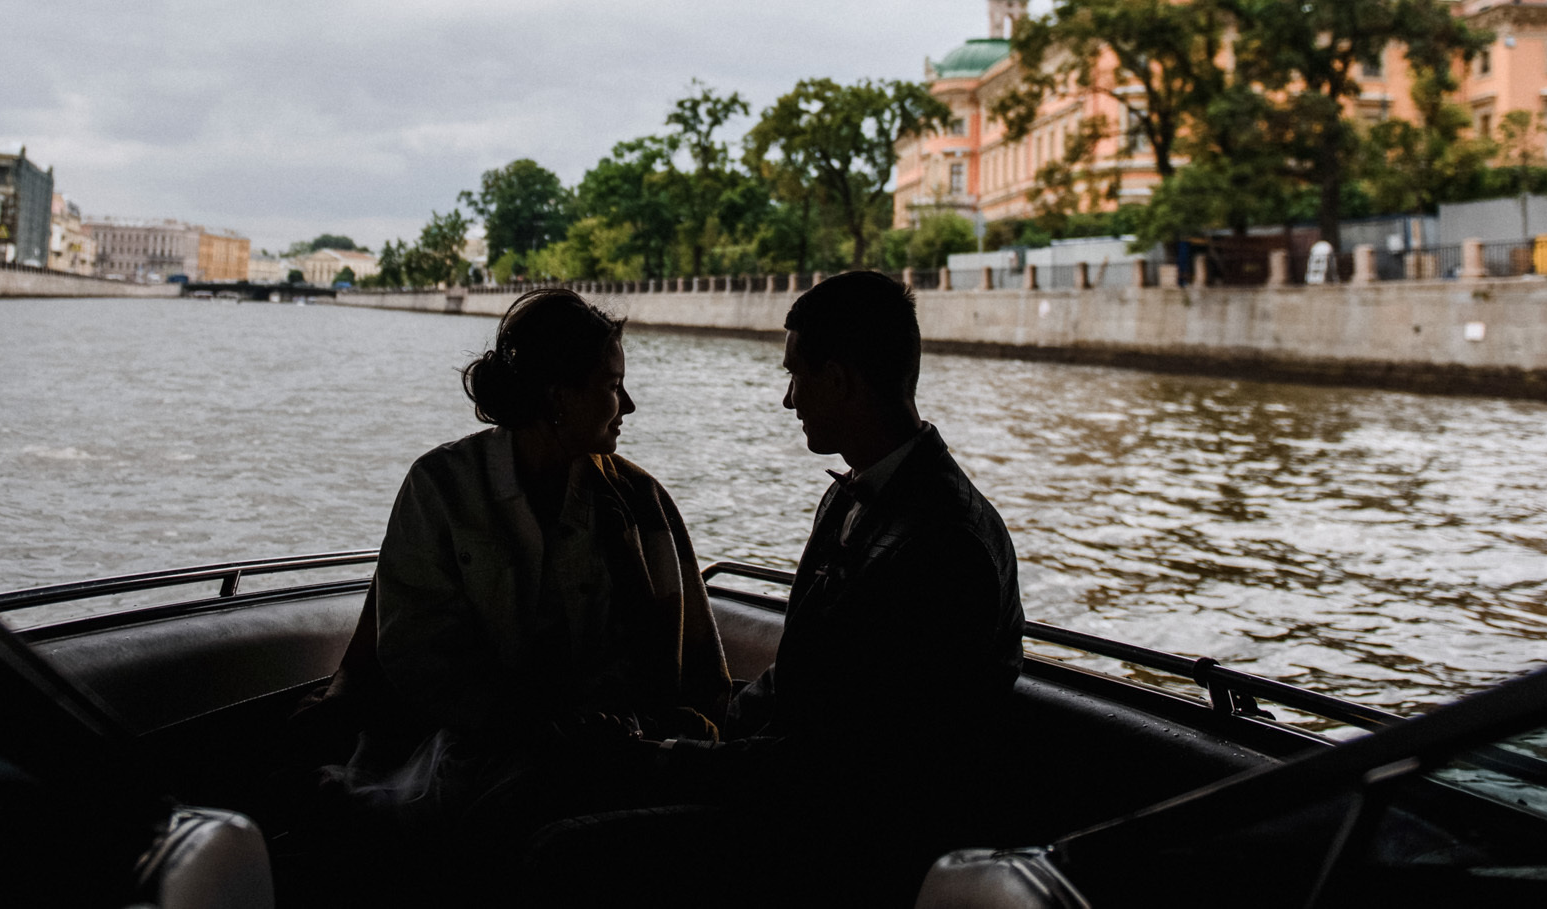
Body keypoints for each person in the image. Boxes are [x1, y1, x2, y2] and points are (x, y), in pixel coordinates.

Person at [531, 271, 1024, 906]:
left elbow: (840, 769)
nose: (789, 400)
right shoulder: (862, 496)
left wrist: (660, 758)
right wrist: (690, 731)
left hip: (852, 840)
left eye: (796, 375)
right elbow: (806, 690)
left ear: (840, 380)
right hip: (803, 793)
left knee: (557, 852)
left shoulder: (942, 549)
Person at [291, 289, 727, 867]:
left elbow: (682, 670)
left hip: (612, 745)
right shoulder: (441, 486)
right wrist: (532, 725)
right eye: (611, 384)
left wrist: (608, 729)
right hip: (462, 740)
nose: (628, 405)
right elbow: (420, 651)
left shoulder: (640, 499)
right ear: (557, 396)